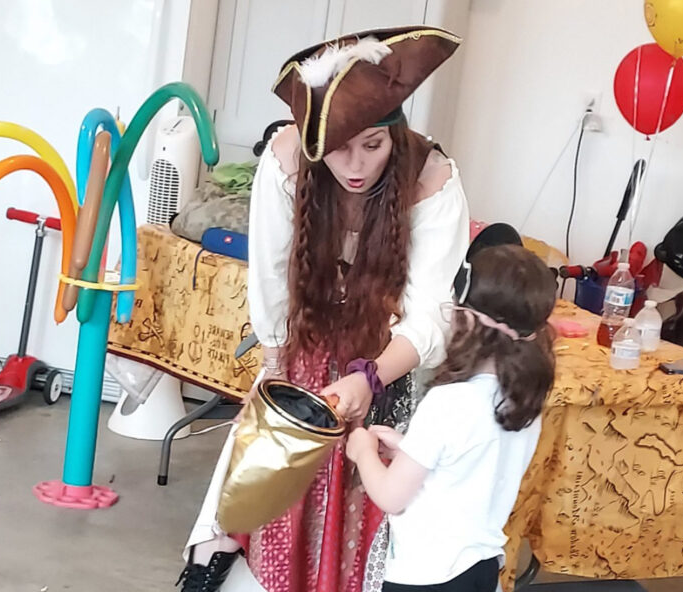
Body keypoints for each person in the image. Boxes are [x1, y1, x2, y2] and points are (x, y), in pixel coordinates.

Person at [177, 26, 470, 592]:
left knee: (372, 518)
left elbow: (429, 315)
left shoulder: (432, 178)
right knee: (262, 499)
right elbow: (270, 281)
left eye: (373, 145)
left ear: (396, 134)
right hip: (301, 353)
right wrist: (276, 370)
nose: (355, 165)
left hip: (390, 366)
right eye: (338, 148)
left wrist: (370, 376)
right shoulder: (288, 158)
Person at [346, 243, 557, 592]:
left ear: (468, 321)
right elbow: (470, 463)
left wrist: (363, 451)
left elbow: (390, 496)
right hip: (481, 566)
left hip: (425, 573)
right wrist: (409, 448)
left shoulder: (448, 401)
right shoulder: (524, 401)